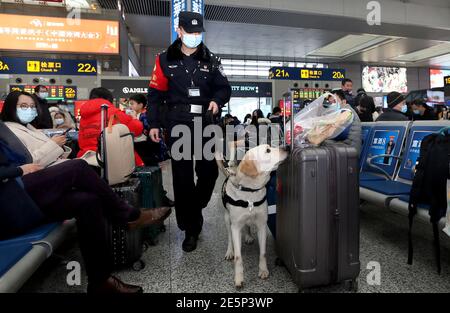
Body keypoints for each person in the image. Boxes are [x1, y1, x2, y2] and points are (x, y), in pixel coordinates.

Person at [0, 137, 171, 293]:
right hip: (8, 204)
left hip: (18, 196)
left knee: (87, 201)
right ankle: (129, 216)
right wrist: (19, 170)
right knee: (77, 168)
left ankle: (100, 281)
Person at [147, 11, 231, 252]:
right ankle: (191, 229)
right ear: (179, 30)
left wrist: (217, 99)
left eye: (198, 32)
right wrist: (154, 123)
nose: (195, 36)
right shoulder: (164, 60)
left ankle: (194, 207)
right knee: (182, 178)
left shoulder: (212, 59)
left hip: (205, 121)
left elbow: (224, 88)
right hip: (177, 121)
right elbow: (155, 95)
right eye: (190, 31)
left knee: (209, 172)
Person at [0, 91, 71, 168]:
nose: (30, 109)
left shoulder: (30, 127)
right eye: (24, 106)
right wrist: (54, 144)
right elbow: (28, 163)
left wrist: (59, 144)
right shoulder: (8, 132)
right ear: (10, 107)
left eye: (33, 106)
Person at [77, 87, 144, 167]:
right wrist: (134, 118)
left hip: (85, 158)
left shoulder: (84, 115)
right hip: (111, 159)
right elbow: (137, 129)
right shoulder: (112, 112)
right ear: (109, 99)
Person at [329, 89, 362, 155]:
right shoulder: (339, 113)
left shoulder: (347, 112)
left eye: (335, 101)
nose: (332, 105)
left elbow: (335, 134)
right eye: (330, 102)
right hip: (342, 147)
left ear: (343, 102)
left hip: (350, 150)